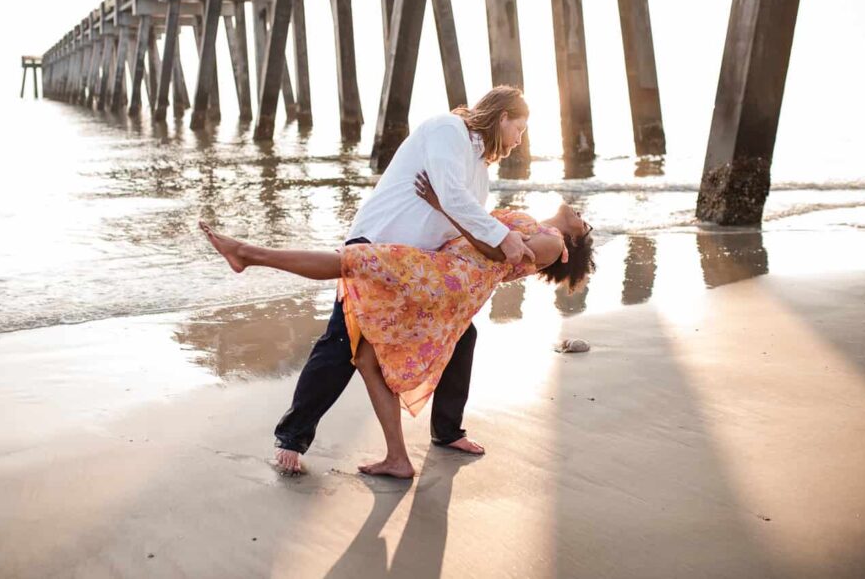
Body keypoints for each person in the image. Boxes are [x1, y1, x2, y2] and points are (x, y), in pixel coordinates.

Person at [198, 173, 595, 478]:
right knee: (367, 358)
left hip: (442, 278)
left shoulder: (554, 245)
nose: (584, 218)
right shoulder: (539, 227)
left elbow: (497, 251)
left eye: (587, 226)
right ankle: (398, 457)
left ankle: (248, 254)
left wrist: (445, 206)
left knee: (353, 261)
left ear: (573, 246)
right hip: (445, 276)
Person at [262, 86, 533, 475]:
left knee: (462, 334)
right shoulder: (448, 130)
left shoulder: (479, 168)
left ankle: (447, 431)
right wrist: (503, 237)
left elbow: (460, 218)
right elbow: (451, 195)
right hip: (375, 247)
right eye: (519, 128)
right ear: (502, 116)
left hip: (414, 267)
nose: (519, 139)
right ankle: (291, 438)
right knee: (342, 343)